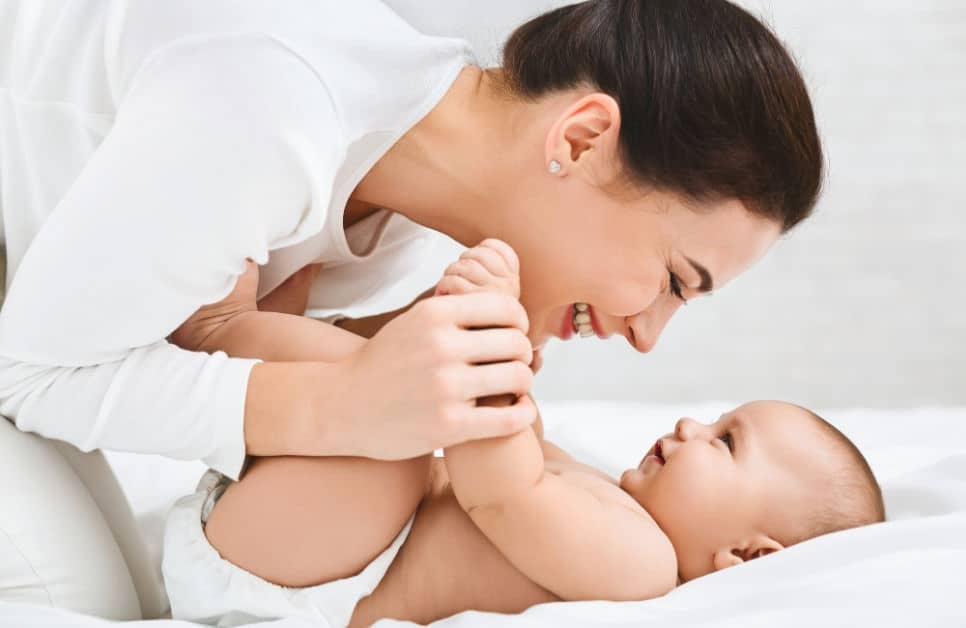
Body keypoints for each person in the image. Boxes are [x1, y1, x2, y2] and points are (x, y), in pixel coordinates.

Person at [0, 0, 822, 482]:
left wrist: (382, 364)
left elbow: (233, 362)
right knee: (90, 592)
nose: (645, 335)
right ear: (579, 140)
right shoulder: (277, 102)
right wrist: (344, 402)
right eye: (676, 281)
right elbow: (30, 371)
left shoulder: (434, 237)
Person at [161, 240, 884, 627]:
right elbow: (522, 450)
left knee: (398, 438)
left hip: (309, 585)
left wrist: (486, 335)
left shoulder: (640, 570)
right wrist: (514, 378)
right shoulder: (614, 503)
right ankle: (275, 327)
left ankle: (216, 332)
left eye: (726, 441)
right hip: (311, 534)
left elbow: (499, 490)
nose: (693, 424)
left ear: (746, 557)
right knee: (385, 397)